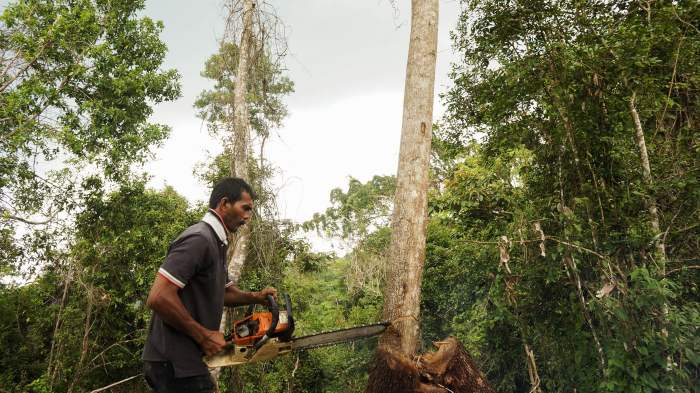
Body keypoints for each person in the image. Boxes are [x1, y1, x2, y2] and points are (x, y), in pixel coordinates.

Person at [143, 177, 277, 393]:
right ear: (224, 204)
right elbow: (158, 297)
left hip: (187, 361)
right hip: (173, 361)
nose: (247, 217)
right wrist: (204, 336)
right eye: (245, 209)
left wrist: (256, 297)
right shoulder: (200, 239)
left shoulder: (217, 242)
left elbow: (222, 293)